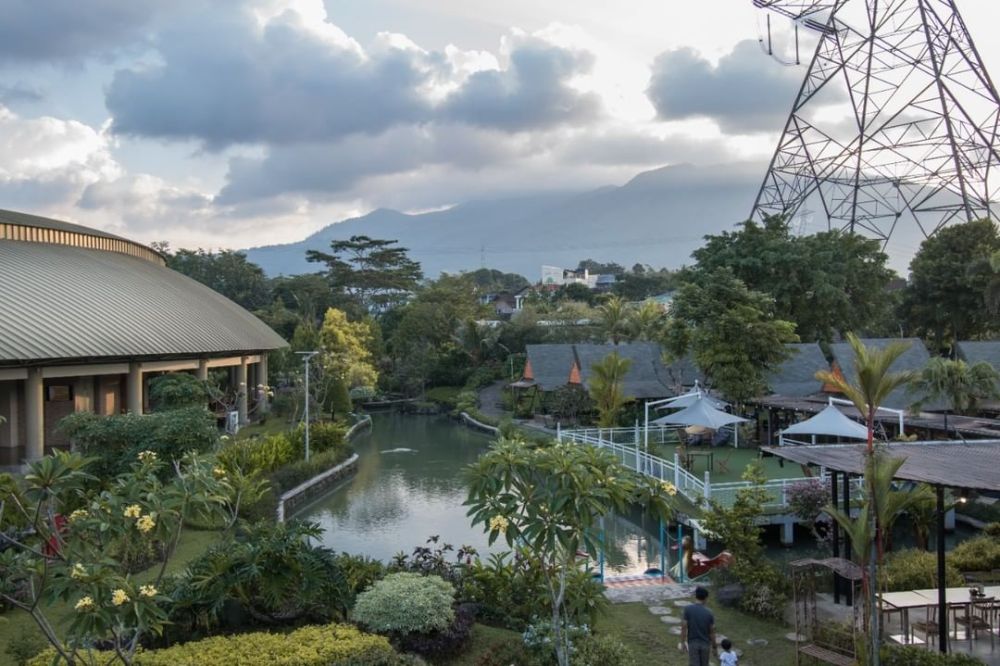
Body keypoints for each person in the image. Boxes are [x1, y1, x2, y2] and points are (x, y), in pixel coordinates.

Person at [680, 586, 716, 666]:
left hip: (693, 643)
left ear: (695, 596)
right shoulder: (709, 613)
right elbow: (712, 633)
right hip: (705, 644)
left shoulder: (687, 609)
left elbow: (684, 628)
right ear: (706, 598)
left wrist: (682, 643)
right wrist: (714, 647)